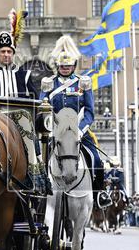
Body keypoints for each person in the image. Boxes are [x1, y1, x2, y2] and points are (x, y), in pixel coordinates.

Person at [0, 16, 46, 192]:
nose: (6, 55)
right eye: (3, 51)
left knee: (29, 134)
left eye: (9, 52)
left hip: (19, 124)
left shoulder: (24, 75)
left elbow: (36, 101)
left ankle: (33, 177)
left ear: (13, 54)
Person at [39, 36, 104, 195]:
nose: (65, 68)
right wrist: (50, 128)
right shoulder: (49, 83)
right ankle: (38, 195)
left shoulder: (83, 83)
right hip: (54, 132)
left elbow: (89, 112)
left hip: (79, 131)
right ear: (57, 65)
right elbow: (42, 108)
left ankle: (97, 196)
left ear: (74, 65)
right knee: (38, 164)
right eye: (62, 66)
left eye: (68, 66)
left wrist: (81, 131)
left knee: (96, 160)